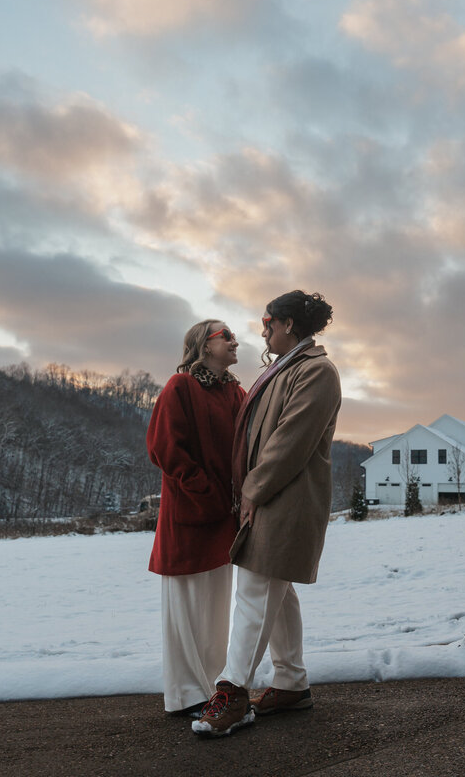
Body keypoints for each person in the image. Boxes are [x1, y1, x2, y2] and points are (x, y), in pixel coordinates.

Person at [192, 291, 340, 738]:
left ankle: (233, 691)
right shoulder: (284, 368)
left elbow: (289, 440)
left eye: (268, 322)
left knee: (255, 590)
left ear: (289, 324)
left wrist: (253, 489)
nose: (261, 331)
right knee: (278, 590)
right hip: (271, 497)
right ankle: (291, 683)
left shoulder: (317, 371)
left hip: (286, 499)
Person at [146, 319, 245, 717]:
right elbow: (164, 447)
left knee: (215, 609)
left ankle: (211, 691)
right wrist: (203, 490)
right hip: (189, 515)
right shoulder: (180, 386)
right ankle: (186, 695)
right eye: (226, 336)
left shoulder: (236, 392)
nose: (236, 340)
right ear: (204, 345)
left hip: (224, 516)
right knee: (186, 611)